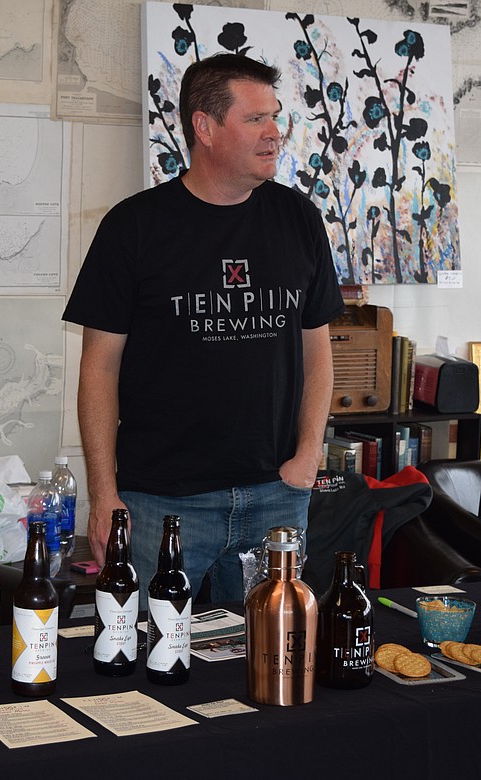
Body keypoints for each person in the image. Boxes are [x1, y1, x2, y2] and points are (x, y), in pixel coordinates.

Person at [62, 53, 343, 603]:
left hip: (276, 493)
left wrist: (309, 454)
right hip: (161, 502)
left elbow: (317, 350)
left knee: (267, 649)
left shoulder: (299, 219)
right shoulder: (134, 226)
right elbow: (99, 367)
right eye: (255, 119)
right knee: (146, 645)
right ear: (204, 127)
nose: (274, 133)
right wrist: (104, 494)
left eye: (275, 117)